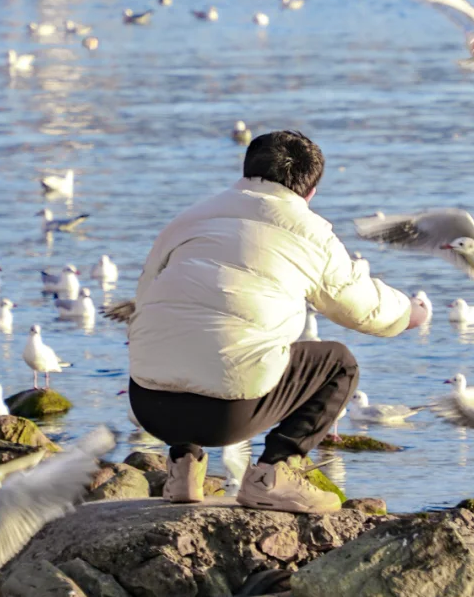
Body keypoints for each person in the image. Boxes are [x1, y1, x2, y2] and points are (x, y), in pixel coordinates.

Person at [127, 130, 429, 513]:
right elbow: (362, 308)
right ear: (311, 192)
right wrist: (409, 313)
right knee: (340, 364)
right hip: (228, 415)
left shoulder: (188, 220)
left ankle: (183, 470)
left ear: (246, 171)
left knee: (186, 329)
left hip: (149, 405)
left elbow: (144, 297)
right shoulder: (310, 233)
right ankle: (273, 474)